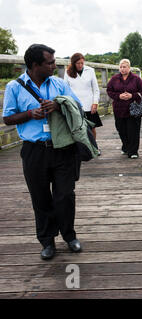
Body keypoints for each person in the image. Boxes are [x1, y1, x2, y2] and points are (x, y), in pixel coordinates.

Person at [2, 44, 84, 260]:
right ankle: (47, 241)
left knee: (65, 195)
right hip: (33, 150)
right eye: (50, 62)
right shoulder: (14, 87)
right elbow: (8, 118)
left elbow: (77, 106)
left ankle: (69, 236)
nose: (54, 66)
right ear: (35, 65)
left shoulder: (58, 83)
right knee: (40, 198)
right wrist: (30, 113)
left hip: (62, 148)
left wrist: (58, 106)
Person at [107, 59, 142, 159]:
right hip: (119, 109)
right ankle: (126, 146)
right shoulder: (114, 79)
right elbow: (109, 91)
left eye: (124, 67)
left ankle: (133, 151)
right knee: (121, 129)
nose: (122, 69)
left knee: (133, 130)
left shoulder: (136, 79)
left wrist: (132, 96)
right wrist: (118, 96)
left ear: (129, 68)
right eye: (121, 67)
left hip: (133, 109)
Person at [64, 53, 102, 153]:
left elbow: (96, 89)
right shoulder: (67, 72)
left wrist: (95, 103)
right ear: (73, 63)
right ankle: (80, 150)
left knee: (92, 127)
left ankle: (94, 148)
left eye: (82, 63)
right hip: (75, 105)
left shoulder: (90, 70)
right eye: (78, 63)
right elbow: (65, 89)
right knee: (77, 129)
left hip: (89, 104)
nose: (80, 65)